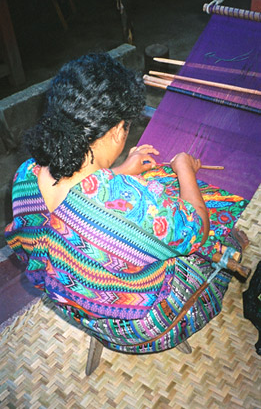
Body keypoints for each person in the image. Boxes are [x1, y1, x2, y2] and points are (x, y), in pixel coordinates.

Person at [5, 53, 249, 354]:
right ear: (116, 131)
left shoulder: (26, 175)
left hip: (78, 306)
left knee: (154, 193)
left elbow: (72, 204)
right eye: (126, 127)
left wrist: (119, 171)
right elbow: (196, 230)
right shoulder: (125, 203)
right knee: (217, 227)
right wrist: (184, 166)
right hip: (141, 327)